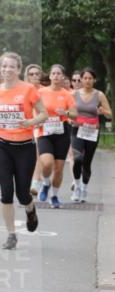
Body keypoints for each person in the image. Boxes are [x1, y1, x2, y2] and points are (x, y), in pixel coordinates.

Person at [0, 52, 48, 249]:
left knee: (22, 193)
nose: (7, 70)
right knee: (6, 192)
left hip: (25, 147)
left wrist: (30, 122)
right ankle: (11, 234)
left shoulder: (28, 89)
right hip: (1, 145)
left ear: (18, 69)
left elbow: (44, 114)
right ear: (0, 69)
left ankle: (30, 208)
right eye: (4, 66)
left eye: (12, 66)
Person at [36, 64, 77, 207]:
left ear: (63, 76)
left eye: (59, 73)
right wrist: (37, 120)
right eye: (53, 73)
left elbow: (75, 114)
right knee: (47, 163)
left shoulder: (67, 94)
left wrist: (65, 113)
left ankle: (54, 196)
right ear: (50, 76)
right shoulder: (41, 92)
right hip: (45, 131)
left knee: (58, 169)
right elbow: (34, 108)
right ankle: (46, 183)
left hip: (62, 132)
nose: (56, 76)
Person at [71, 68, 112, 203]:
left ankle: (84, 188)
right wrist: (70, 118)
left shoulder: (99, 95)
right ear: (81, 80)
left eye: (90, 78)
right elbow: (68, 112)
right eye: (85, 78)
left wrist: (102, 111)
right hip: (77, 130)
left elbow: (110, 115)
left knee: (87, 162)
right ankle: (77, 187)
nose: (87, 81)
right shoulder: (74, 94)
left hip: (92, 131)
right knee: (77, 159)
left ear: (94, 80)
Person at [24, 63, 45, 196]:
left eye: (37, 74)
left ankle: (35, 182)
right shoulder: (23, 90)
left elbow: (48, 109)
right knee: (28, 157)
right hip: (24, 126)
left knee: (38, 153)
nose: (35, 76)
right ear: (27, 76)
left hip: (40, 126)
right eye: (31, 74)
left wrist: (39, 120)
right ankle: (38, 179)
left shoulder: (45, 90)